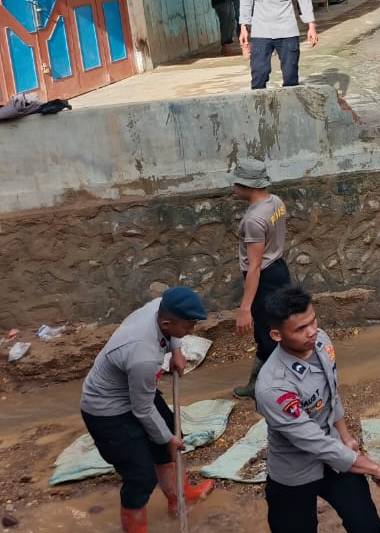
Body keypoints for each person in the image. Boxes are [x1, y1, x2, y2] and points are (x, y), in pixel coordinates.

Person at [256, 285, 380, 533]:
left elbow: (330, 395)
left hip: (336, 456)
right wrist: (375, 469)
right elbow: (316, 444)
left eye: (313, 321)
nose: (312, 331)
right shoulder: (274, 387)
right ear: (276, 335)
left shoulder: (321, 342)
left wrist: (345, 436)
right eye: (300, 329)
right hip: (295, 471)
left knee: (367, 526)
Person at [80, 287, 215, 532]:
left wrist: (176, 351)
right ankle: (135, 528)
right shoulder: (143, 355)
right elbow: (142, 410)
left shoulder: (160, 306)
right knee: (140, 475)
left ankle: (180, 498)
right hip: (107, 410)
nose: (191, 331)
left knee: (171, 435)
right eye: (188, 326)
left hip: (135, 392)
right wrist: (166, 438)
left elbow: (172, 327)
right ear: (166, 323)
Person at [230, 158, 291, 400]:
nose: (234, 187)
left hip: (264, 277)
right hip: (279, 269)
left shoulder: (253, 220)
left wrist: (245, 308)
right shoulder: (276, 201)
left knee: (268, 335)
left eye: (237, 183)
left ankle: (277, 389)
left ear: (247, 185)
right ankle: (257, 385)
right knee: (274, 330)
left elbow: (255, 266)